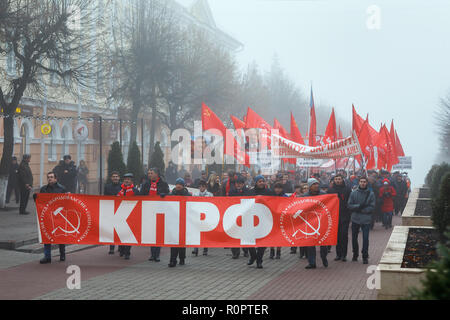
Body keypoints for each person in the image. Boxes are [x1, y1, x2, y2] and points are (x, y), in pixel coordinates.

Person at [36, 172, 67, 264]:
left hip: (59, 216)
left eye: (51, 177)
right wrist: (35, 198)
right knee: (47, 236)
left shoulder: (61, 189)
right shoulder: (43, 189)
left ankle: (62, 254)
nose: (50, 179)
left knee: (60, 236)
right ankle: (47, 256)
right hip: (47, 216)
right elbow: (40, 202)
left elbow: (66, 202)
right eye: (48, 177)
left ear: (56, 179)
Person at [140, 167, 170, 262]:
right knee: (151, 234)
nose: (149, 175)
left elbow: (168, 195)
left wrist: (163, 195)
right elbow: (141, 195)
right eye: (148, 173)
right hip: (149, 211)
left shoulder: (163, 184)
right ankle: (152, 254)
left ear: (156, 174)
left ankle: (157, 254)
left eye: (151, 173)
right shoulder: (146, 184)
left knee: (159, 234)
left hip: (160, 212)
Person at [347, 176, 376, 264]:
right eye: (361, 181)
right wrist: (358, 207)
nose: (363, 183)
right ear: (358, 182)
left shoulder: (371, 194)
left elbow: (372, 206)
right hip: (355, 218)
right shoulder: (353, 193)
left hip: (366, 219)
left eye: (364, 182)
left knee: (365, 238)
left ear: (367, 183)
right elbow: (349, 205)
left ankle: (365, 255)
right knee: (354, 238)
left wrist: (363, 210)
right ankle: (355, 254)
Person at [302, 178, 329, 269]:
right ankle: (312, 262)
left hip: (322, 222)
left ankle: (324, 257)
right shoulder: (304, 197)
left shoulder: (324, 195)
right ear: (310, 186)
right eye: (314, 184)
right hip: (310, 222)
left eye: (317, 184)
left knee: (323, 243)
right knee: (310, 244)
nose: (316, 186)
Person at [248, 175, 273, 268]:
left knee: (263, 242)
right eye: (259, 181)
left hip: (264, 220)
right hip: (251, 219)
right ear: (256, 182)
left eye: (263, 181)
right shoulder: (250, 192)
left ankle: (259, 260)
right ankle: (253, 256)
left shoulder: (269, 192)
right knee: (249, 239)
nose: (262, 183)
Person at [328, 174, 352, 262]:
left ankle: (344, 255)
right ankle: (338, 254)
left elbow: (350, 201)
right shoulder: (330, 190)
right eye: (336, 179)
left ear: (342, 180)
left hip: (345, 216)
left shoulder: (347, 189)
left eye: (339, 179)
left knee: (344, 235)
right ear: (334, 180)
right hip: (334, 216)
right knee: (336, 236)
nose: (338, 181)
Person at [168, 178, 191, 267]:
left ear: (183, 185)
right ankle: (172, 260)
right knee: (174, 241)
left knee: (181, 241)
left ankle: (182, 258)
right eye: (177, 184)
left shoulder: (188, 195)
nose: (178, 186)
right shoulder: (171, 194)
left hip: (183, 221)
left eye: (180, 184)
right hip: (173, 221)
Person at [117, 173, 139, 260]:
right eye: (125, 179)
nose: (126, 181)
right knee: (121, 234)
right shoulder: (120, 190)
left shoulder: (135, 191)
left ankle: (127, 252)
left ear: (131, 181)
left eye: (128, 179)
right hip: (120, 215)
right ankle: (121, 249)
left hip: (131, 216)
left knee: (129, 235)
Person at [229, 175, 251, 259]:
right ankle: (235, 252)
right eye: (237, 183)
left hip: (245, 216)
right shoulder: (232, 192)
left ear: (243, 184)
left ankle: (246, 251)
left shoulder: (248, 192)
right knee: (234, 234)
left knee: (244, 235)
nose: (238, 185)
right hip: (234, 216)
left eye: (240, 183)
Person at [104, 171, 123, 255]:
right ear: (111, 178)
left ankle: (120, 246)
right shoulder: (107, 187)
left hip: (121, 210)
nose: (115, 178)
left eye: (116, 176)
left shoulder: (123, 186)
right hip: (111, 210)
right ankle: (112, 248)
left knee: (120, 229)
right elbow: (104, 198)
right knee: (112, 230)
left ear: (119, 178)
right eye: (114, 176)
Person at [192, 180, 212, 257]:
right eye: (200, 186)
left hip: (206, 216)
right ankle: (195, 248)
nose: (201, 188)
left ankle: (205, 249)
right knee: (196, 232)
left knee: (205, 233)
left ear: (205, 187)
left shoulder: (210, 195)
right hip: (197, 215)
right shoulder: (195, 194)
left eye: (203, 186)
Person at [270, 183, 287, 259]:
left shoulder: (285, 197)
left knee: (279, 236)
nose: (277, 190)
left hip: (281, 218)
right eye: (276, 188)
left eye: (279, 188)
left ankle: (278, 252)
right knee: (272, 236)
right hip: (272, 218)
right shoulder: (271, 196)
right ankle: (272, 250)